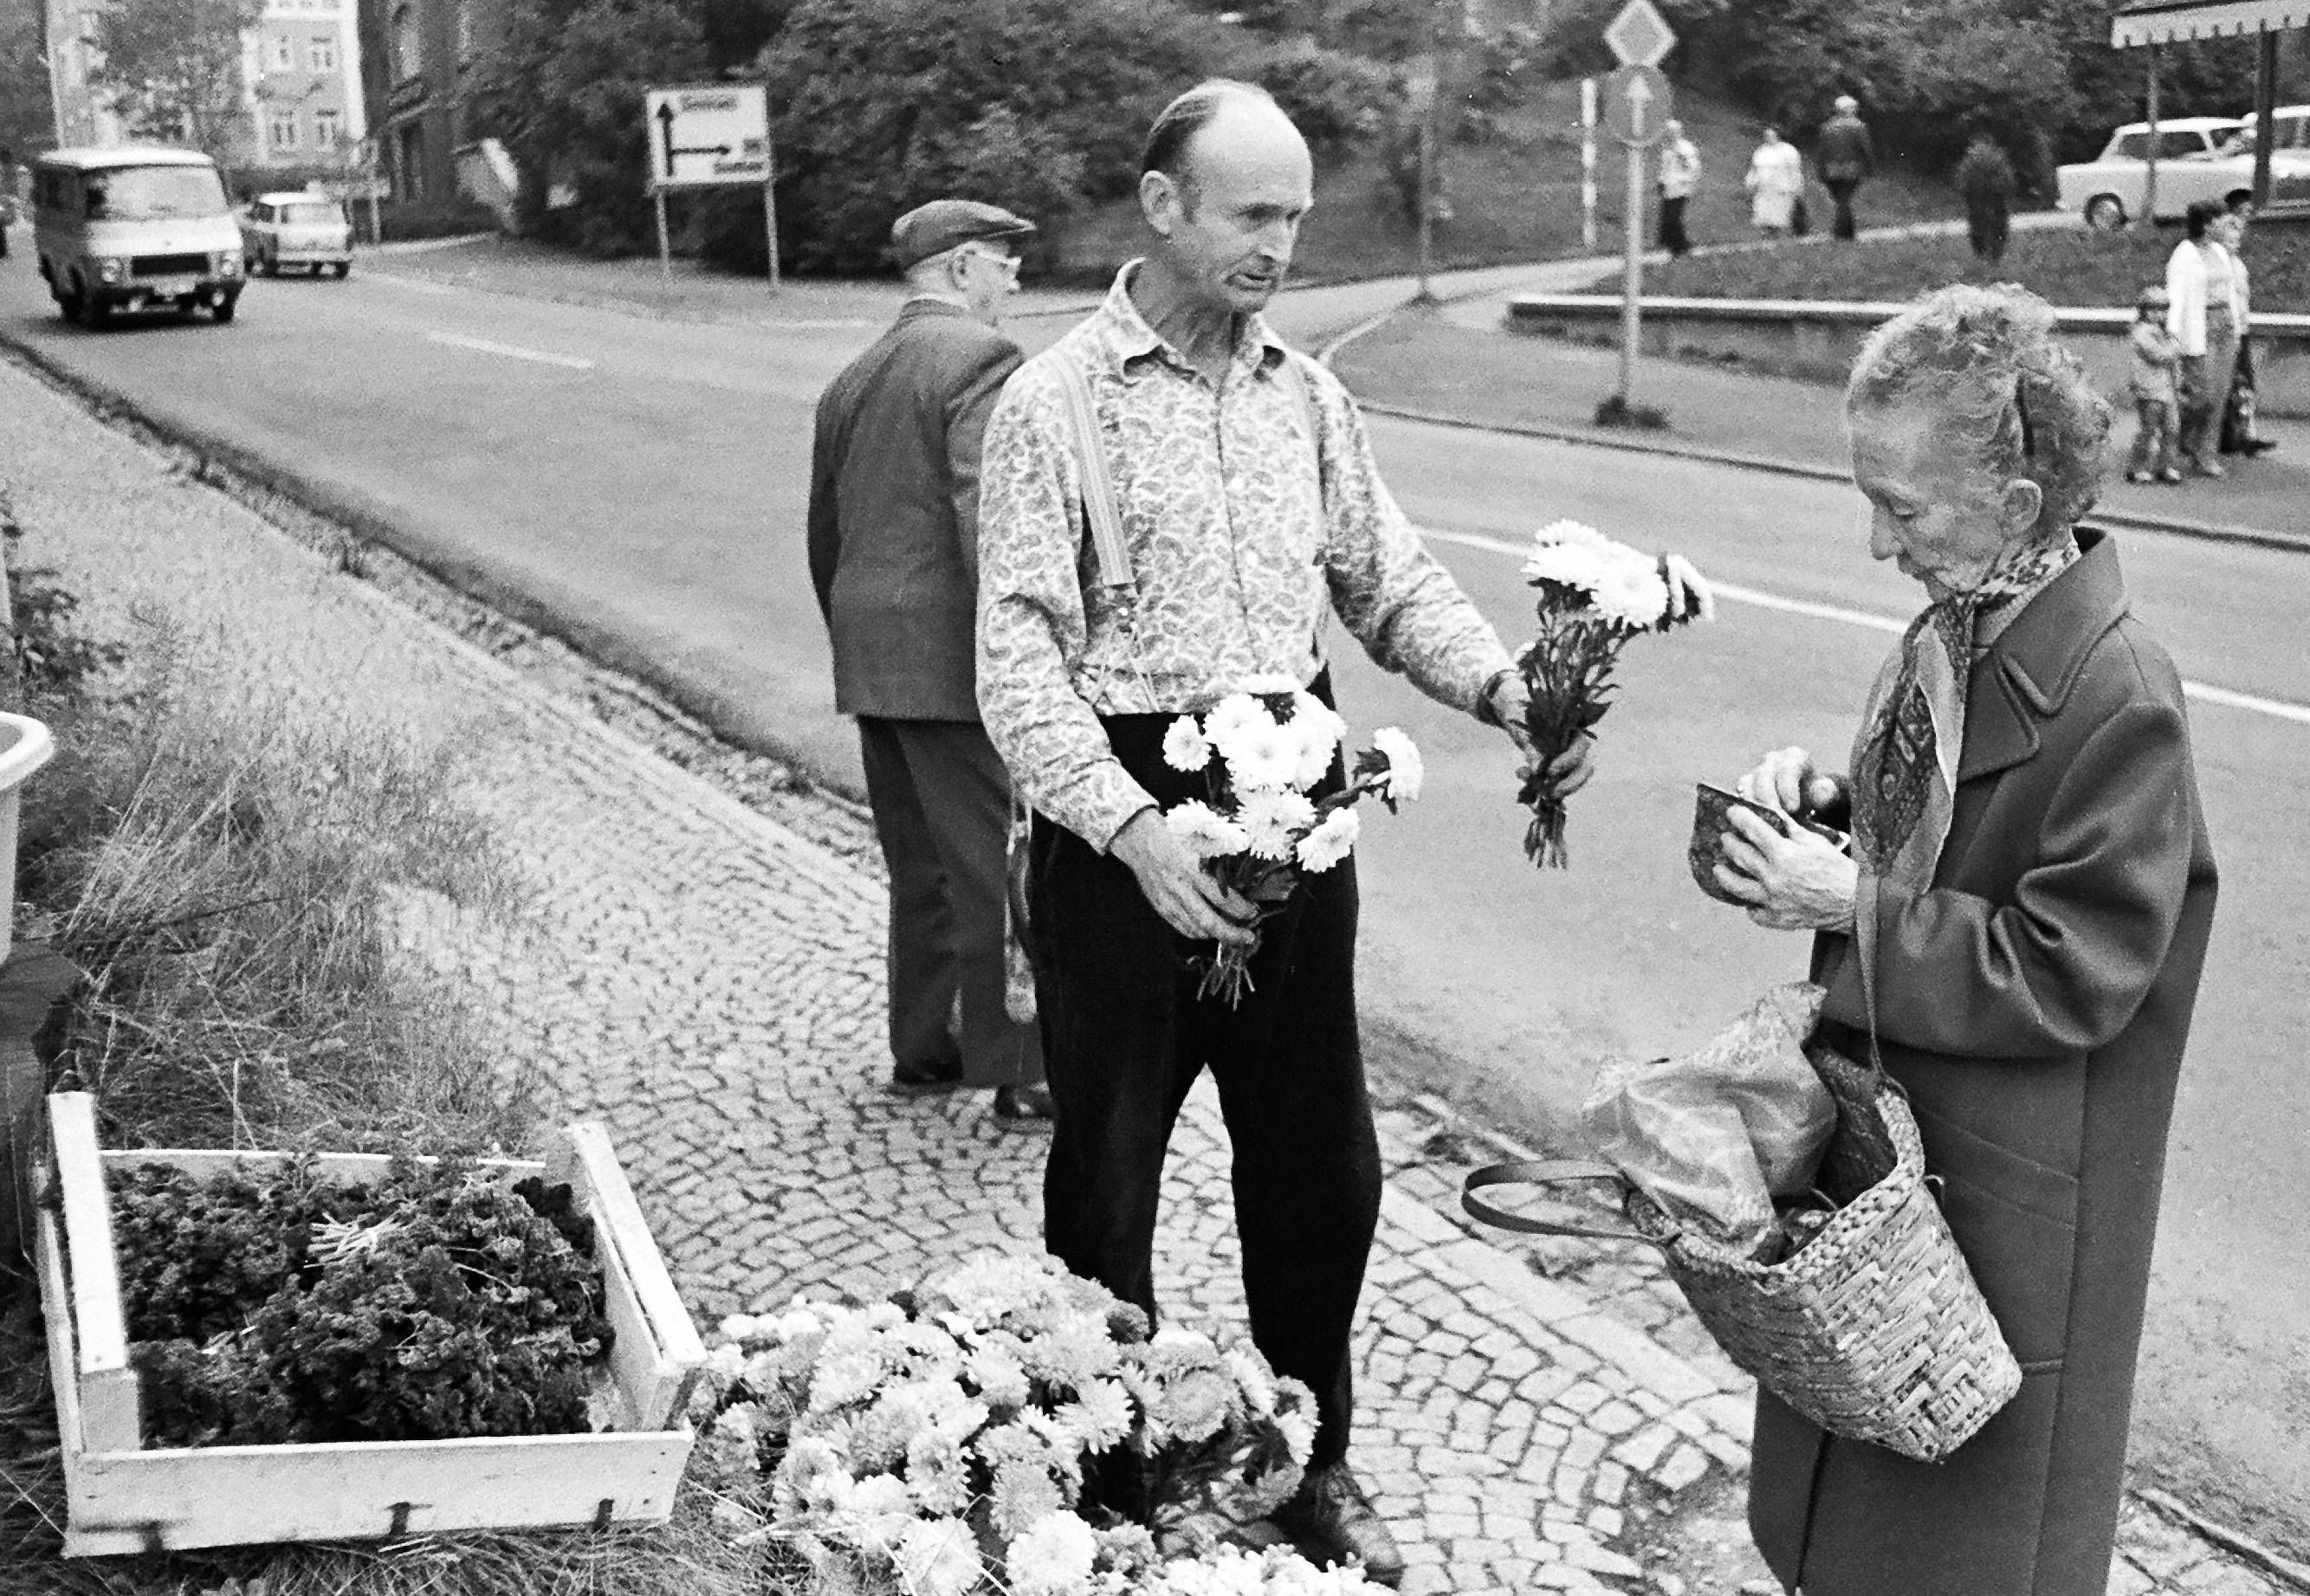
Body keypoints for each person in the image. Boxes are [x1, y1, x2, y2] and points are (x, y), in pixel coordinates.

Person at [975, 80, 1591, 1586]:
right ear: (1163, 205)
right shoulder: (1051, 404)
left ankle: (1303, 1457)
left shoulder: (1305, 397)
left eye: (1296, 216)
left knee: (1325, 1171)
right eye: (1253, 214)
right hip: (1121, 831)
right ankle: (1100, 1469)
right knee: (1106, 1174)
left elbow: (1388, 581)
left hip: (1297, 808)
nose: (1281, 245)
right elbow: (1014, 659)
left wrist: (1508, 689)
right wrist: (1127, 827)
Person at [1709, 283, 2217, 1596]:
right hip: (1908, 1181)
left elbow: (2070, 969)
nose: (1877, 542)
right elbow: (1934, 839)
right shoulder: (1961, 619)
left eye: (1901, 506)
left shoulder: (2119, 692)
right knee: (1861, 1534)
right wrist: (1825, 810)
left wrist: (1847, 903)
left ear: (2017, 500)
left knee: (1963, 1559)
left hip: (2008, 1213)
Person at [806, 197, 1055, 1122]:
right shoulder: (982, 361)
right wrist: (1028, 653)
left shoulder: (853, 377)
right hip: (955, 661)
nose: (1016, 276)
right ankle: (1023, 1073)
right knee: (996, 864)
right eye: (1003, 259)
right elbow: (986, 514)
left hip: (873, 655)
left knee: (920, 864)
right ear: (958, 269)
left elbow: (825, 532)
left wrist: (862, 638)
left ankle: (924, 1051)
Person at [2165, 198, 2245, 478]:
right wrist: (2172, 332)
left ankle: (2205, 453)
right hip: (2201, 328)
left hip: (2225, 327)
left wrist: (2236, 327)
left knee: (2220, 396)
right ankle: (2177, 439)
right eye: (2218, 219)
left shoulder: (2220, 253)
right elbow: (2175, 296)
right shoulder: (2185, 254)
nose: (2224, 224)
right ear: (2206, 223)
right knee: (2201, 396)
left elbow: (2231, 290)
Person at [2217, 197, 2279, 459]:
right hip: (2226, 332)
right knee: (2228, 385)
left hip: (2241, 330)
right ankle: (2229, 436)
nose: (2236, 243)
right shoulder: (2218, 266)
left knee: (2245, 385)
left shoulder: (2238, 265)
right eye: (2230, 238)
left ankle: (2247, 434)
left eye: (2238, 238)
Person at [2126, 285, 2185, 485]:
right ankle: (2139, 466)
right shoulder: (2142, 332)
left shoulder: (2164, 333)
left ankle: (2166, 465)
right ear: (2144, 311)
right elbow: (2160, 355)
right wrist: (2175, 348)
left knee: (2172, 428)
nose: (2157, 315)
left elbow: (2173, 361)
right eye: (2153, 310)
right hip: (2149, 389)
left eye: (2162, 310)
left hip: (2167, 389)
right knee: (2149, 429)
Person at [1815, 94, 1876, 241]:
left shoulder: (1827, 127)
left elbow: (1822, 151)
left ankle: (1846, 232)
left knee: (1841, 200)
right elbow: (1866, 149)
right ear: (1850, 109)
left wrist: (1820, 170)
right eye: (1854, 108)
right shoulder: (1858, 127)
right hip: (1851, 169)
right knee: (1844, 200)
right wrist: (1870, 168)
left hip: (1830, 169)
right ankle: (1842, 233)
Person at [1952, 131, 2016, 265]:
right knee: (1993, 229)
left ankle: (1986, 256)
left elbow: (1962, 182)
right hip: (1988, 202)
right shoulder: (1997, 159)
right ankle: (1993, 256)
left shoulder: (1972, 161)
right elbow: (2008, 181)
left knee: (1983, 229)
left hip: (1983, 202)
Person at [1745, 127, 1806, 237]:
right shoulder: (1761, 151)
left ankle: (1780, 231)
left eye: (1771, 135)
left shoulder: (1788, 151)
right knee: (1764, 211)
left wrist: (1796, 184)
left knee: (1780, 211)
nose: (1769, 138)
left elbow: (1794, 170)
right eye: (1767, 136)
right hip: (1764, 188)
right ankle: (1767, 232)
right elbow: (1754, 169)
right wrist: (1751, 182)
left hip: (1781, 186)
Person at [1657, 119, 1701, 257]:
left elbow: (1694, 167)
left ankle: (1681, 246)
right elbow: (1665, 168)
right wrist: (1661, 181)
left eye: (1673, 132)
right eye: (1668, 131)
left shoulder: (1685, 147)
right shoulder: (1667, 149)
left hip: (1681, 187)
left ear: (1679, 132)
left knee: (1673, 217)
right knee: (1666, 217)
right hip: (1669, 187)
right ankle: (1672, 245)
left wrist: (1684, 160)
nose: (1670, 134)